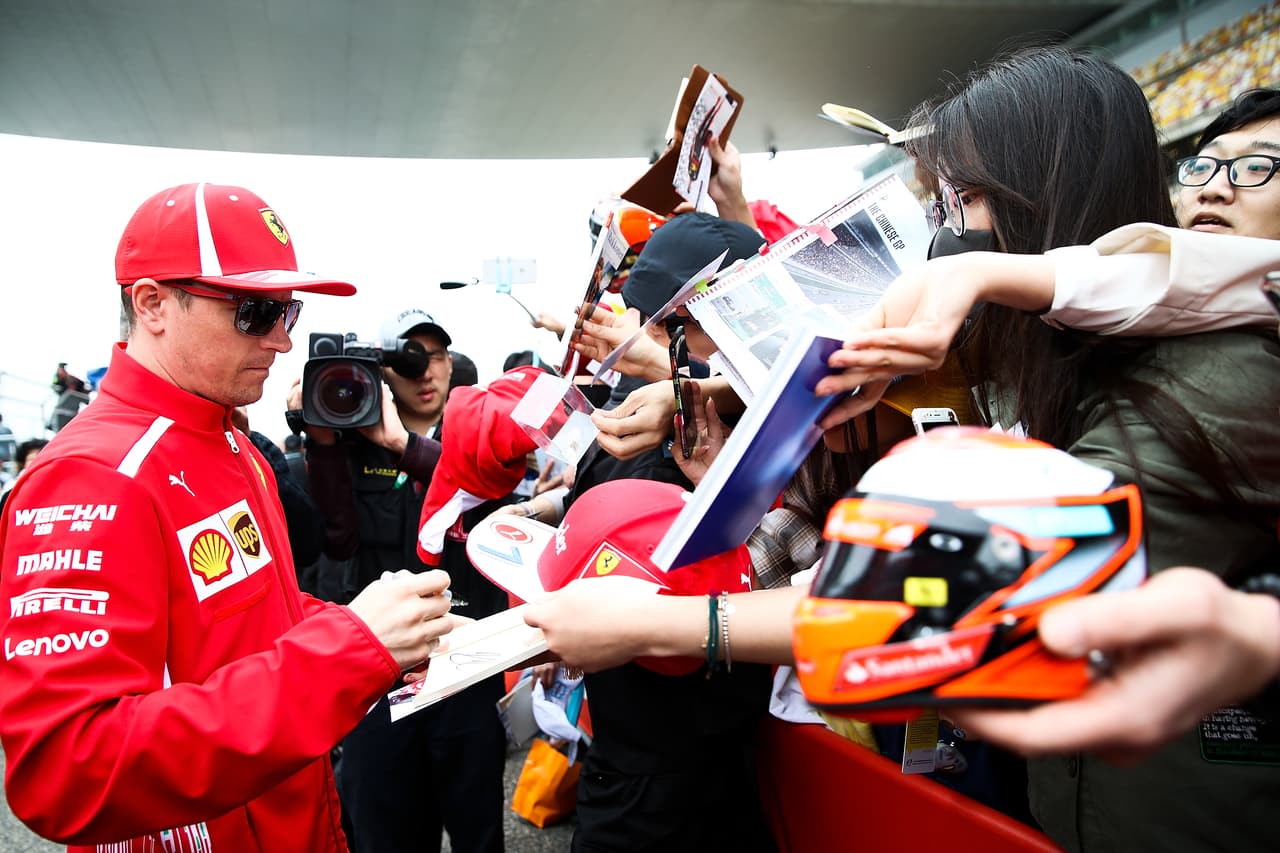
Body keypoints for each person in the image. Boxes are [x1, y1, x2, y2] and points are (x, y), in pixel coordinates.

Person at [529, 48, 1280, 852]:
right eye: (942, 202)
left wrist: (660, 623)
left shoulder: (1203, 384)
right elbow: (907, 353)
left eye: (963, 200)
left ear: (1049, 193)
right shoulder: (1055, 341)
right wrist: (716, 389)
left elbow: (938, 594)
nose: (944, 235)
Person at [0, 182, 454, 852]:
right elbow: (66, 770)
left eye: (288, 310)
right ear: (152, 303)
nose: (281, 340)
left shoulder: (231, 442)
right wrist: (349, 650)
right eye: (254, 311)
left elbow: (255, 619)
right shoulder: (92, 477)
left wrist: (384, 635)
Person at [297, 307, 507, 853]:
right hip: (383, 678)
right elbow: (337, 541)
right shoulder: (352, 446)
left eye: (435, 356)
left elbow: (483, 499)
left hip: (466, 664)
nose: (426, 372)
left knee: (478, 832)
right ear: (384, 372)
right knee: (386, 831)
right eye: (410, 360)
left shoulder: (477, 435)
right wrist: (323, 441)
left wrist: (400, 444)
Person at [50, 362, 91, 432]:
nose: (62, 370)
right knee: (58, 411)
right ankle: (51, 423)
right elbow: (56, 385)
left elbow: (82, 386)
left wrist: (85, 390)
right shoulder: (58, 377)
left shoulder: (71, 378)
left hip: (73, 403)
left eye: (63, 368)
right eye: (60, 368)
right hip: (64, 400)